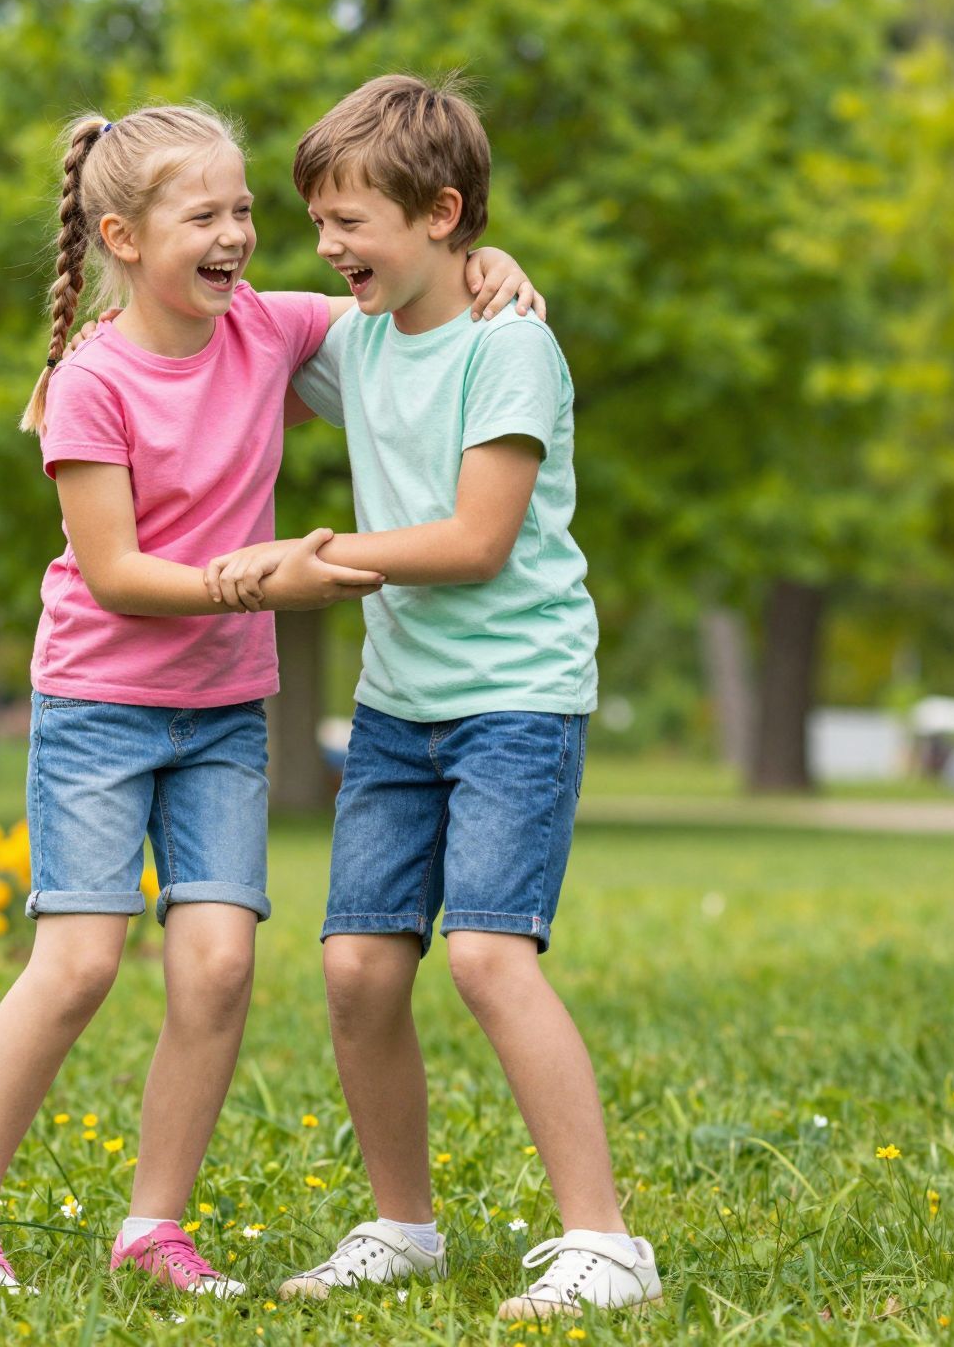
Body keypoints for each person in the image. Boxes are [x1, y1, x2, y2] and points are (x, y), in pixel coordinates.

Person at [0, 103, 540, 1294]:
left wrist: (487, 265)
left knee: (215, 968)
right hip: (98, 700)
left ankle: (154, 1229)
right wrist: (258, 581)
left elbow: (407, 303)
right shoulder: (88, 382)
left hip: (219, 715)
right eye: (206, 214)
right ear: (123, 237)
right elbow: (115, 574)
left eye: (245, 209)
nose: (240, 233)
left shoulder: (267, 331)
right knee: (80, 961)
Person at [207, 74, 659, 1320]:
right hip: (401, 704)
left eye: (351, 221)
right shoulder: (353, 338)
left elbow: (474, 542)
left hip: (516, 696)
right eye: (317, 222)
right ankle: (402, 1226)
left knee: (485, 957)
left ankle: (607, 1245)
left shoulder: (510, 345)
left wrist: (314, 562)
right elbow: (216, 304)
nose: (327, 247)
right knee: (355, 968)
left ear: (441, 212)